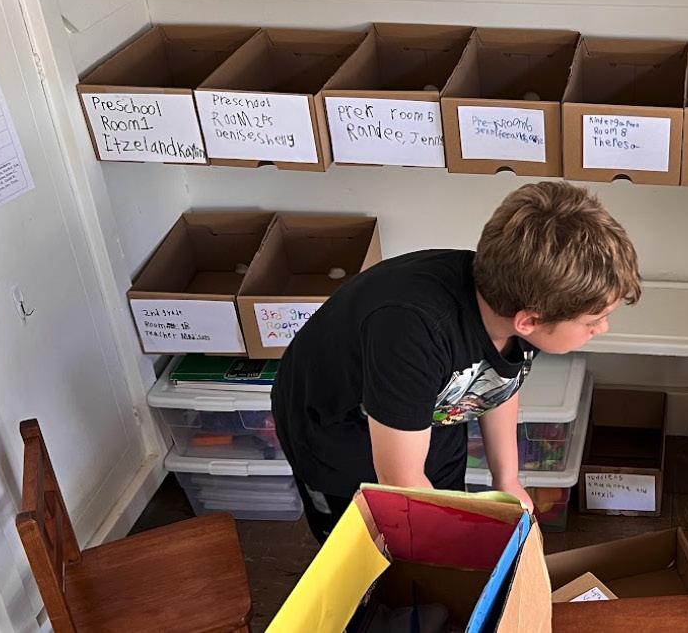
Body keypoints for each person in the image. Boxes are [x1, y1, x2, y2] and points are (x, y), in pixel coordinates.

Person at [273, 182, 640, 542]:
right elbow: (400, 483)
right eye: (594, 321)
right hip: (337, 432)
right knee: (369, 547)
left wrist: (507, 479)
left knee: (442, 503)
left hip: (426, 414)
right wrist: (452, 546)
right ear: (529, 320)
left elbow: (498, 381)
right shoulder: (412, 333)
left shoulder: (519, 297)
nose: (602, 328)